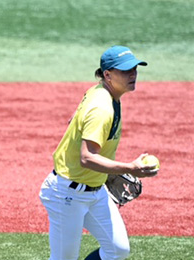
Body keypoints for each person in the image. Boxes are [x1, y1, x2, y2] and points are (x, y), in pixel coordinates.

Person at [39, 45, 159, 260]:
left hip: (95, 191)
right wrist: (130, 168)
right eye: (125, 71)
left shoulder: (101, 92)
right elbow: (87, 157)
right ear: (108, 75)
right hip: (67, 193)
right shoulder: (102, 108)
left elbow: (75, 120)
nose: (132, 74)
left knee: (118, 250)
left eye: (134, 69)